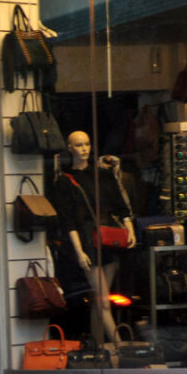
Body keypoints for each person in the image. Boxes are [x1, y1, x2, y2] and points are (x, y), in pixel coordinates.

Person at [49, 131, 135, 346]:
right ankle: (119, 345)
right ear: (69, 147)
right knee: (103, 300)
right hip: (87, 242)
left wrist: (129, 228)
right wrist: (79, 251)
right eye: (79, 145)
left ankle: (99, 348)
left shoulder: (104, 176)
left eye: (87, 144)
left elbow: (120, 206)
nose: (84, 149)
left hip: (108, 240)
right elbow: (68, 221)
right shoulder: (64, 182)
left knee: (100, 302)